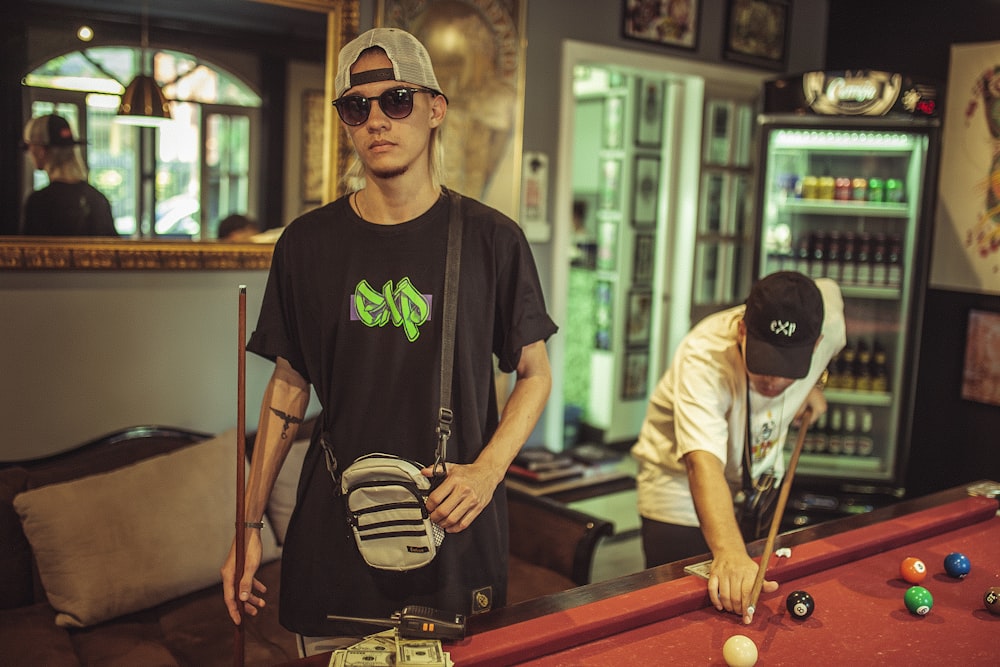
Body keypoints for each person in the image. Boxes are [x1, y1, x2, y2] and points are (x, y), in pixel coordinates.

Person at [221, 27, 557, 655]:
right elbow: (288, 387)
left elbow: (535, 372)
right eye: (358, 105)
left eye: (396, 99)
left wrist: (487, 471)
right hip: (335, 539)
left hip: (453, 533)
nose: (376, 118)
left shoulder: (492, 241)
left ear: (435, 110)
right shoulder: (307, 244)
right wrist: (246, 524)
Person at [631, 271, 845, 624]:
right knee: (689, 616)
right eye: (764, 365)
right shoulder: (703, 356)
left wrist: (814, 383)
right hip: (679, 491)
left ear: (817, 343)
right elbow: (701, 463)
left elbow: (832, 293)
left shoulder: (830, 319)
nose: (774, 381)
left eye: (788, 367)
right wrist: (729, 552)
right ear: (742, 332)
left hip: (755, 486)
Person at [21, 114, 118, 236]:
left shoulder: (39, 203)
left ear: (40, 150)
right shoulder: (98, 199)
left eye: (27, 146)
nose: (28, 154)